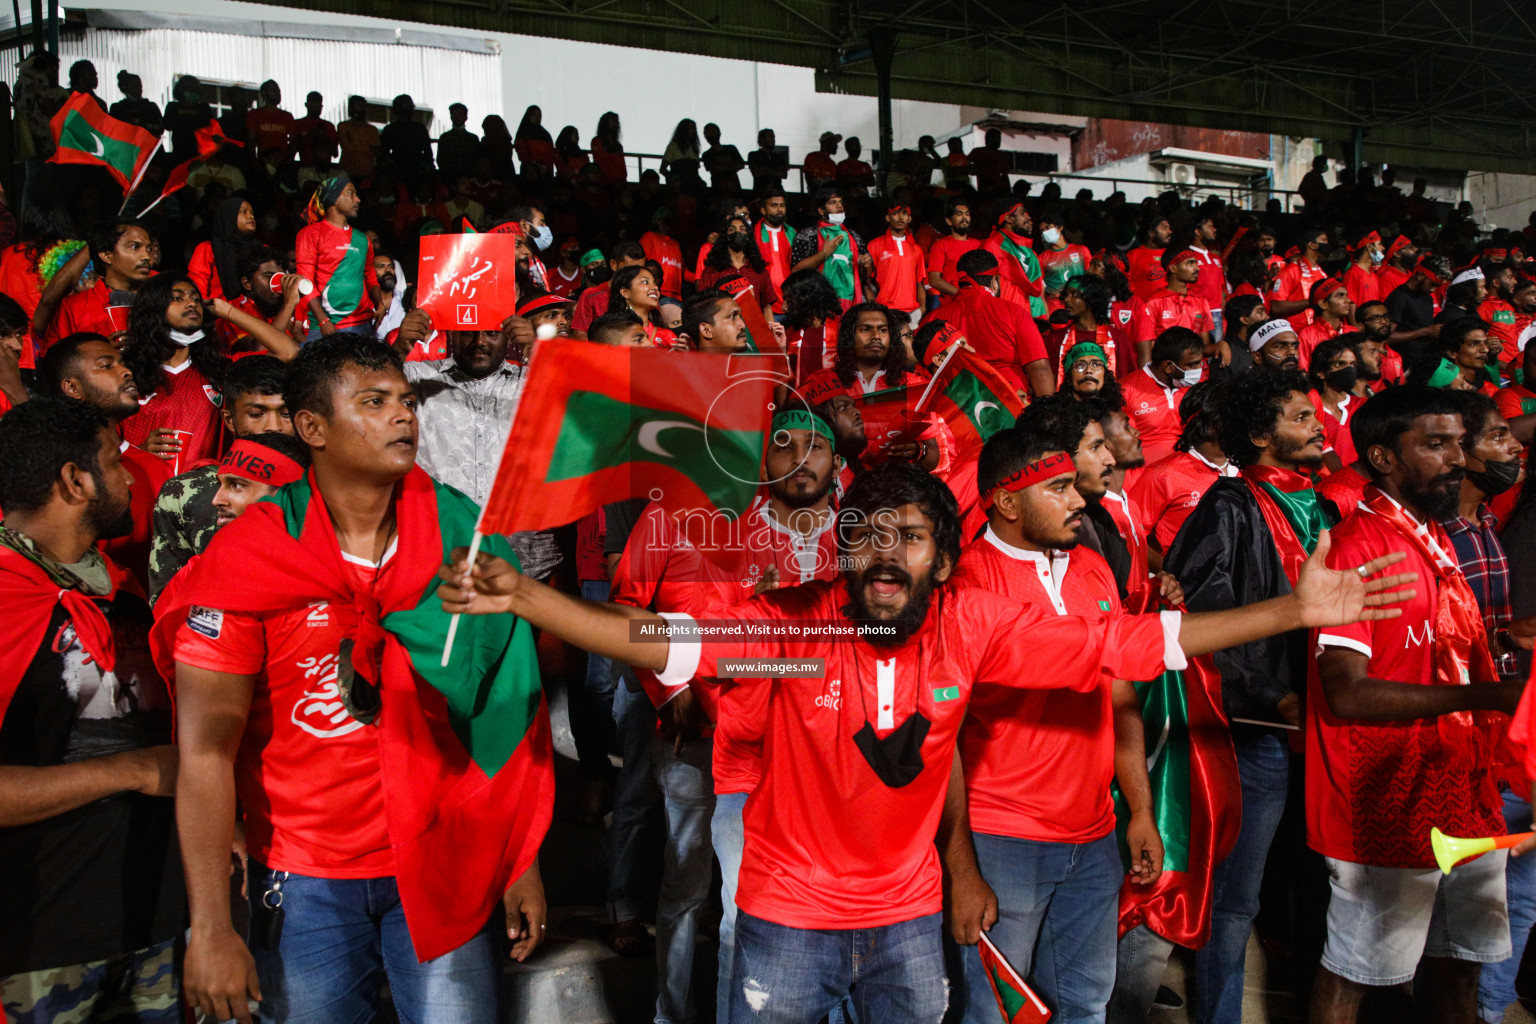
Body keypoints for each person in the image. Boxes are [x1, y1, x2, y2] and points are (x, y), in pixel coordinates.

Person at [437, 460, 1412, 1024]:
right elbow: (661, 637)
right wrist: (526, 595)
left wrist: (1290, 607)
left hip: (906, 921)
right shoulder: (800, 634)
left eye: (910, 537)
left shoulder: (973, 626)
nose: (885, 552)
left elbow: (1132, 642)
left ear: (943, 565)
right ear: (844, 554)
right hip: (787, 917)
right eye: (869, 536)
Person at [168, 335, 552, 1024]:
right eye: (373, 403)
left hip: (444, 859)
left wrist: (519, 857)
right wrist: (211, 925)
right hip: (306, 878)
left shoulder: (462, 537)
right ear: (312, 428)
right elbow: (204, 751)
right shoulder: (251, 556)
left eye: (405, 401)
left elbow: (498, 708)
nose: (402, 417)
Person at [1309, 386, 1535, 1024]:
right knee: (1356, 975)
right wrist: (1487, 694)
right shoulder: (1359, 547)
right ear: (1382, 456)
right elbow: (1346, 690)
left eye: (1460, 442)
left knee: (1461, 964)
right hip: (1388, 797)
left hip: (1463, 782)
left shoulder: (1436, 540)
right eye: (1436, 445)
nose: (1458, 459)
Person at [614, 410, 842, 1024]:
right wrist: (671, 688)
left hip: (798, 750)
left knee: (753, 909)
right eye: (783, 445)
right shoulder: (694, 519)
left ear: (837, 462)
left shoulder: (852, 537)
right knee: (687, 889)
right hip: (700, 737)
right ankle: (671, 1013)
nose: (798, 457)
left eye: (815, 446)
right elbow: (628, 616)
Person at [942, 427, 1164, 1024]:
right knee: (996, 1015)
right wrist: (962, 866)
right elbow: (944, 743)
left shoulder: (1092, 568)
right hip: (1003, 839)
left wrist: (1138, 809)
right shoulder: (969, 586)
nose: (1080, 500)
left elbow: (1121, 695)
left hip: (1094, 837)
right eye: (1059, 488)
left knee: (1084, 1006)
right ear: (1008, 502)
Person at [0, 398, 184, 1024]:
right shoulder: (4, 600)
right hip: (38, 947)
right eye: (115, 461)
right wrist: (134, 771)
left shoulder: (121, 587)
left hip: (158, 923)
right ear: (76, 482)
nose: (132, 476)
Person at [1164, 369, 1340, 1024]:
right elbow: (1207, 629)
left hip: (1322, 729)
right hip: (1261, 732)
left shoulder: (1323, 506)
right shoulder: (1230, 507)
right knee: (1237, 898)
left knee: (1320, 887)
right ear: (1262, 436)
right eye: (1300, 416)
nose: (1317, 425)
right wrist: (1276, 697)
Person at [400, 312, 561, 583]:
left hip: (527, 562)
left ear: (508, 336)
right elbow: (365, 385)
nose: (479, 341)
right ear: (450, 335)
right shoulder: (418, 380)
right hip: (440, 556)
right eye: (467, 332)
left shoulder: (536, 382)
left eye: (491, 333)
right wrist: (398, 348)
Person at [148, 354, 292, 601]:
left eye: (286, 413)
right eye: (257, 414)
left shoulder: (323, 485)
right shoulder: (184, 492)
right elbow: (165, 600)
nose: (273, 426)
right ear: (230, 420)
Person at [37, 332, 172, 592]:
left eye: (122, 362)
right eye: (106, 365)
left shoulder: (157, 467)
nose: (125, 371)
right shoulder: (49, 473)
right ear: (73, 388)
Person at [120, 275, 296, 467]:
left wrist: (227, 310)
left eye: (196, 299)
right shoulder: (126, 373)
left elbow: (288, 352)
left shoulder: (221, 368)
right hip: (146, 484)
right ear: (153, 309)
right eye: (178, 298)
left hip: (208, 490)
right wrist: (139, 451)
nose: (190, 303)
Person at [1130, 380, 1238, 554]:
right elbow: (1133, 535)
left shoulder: (1249, 469)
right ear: (1207, 424)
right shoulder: (1162, 475)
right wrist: (1168, 572)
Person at [932, 249, 1052, 397]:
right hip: (1011, 403)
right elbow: (1040, 369)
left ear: (960, 280)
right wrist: (1049, 414)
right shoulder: (1015, 312)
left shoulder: (933, 318)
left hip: (959, 406)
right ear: (995, 281)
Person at [43, 218, 154, 351]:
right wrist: (100, 352)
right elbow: (55, 362)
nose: (146, 256)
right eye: (134, 247)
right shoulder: (74, 307)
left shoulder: (161, 299)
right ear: (107, 255)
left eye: (149, 248)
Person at [296, 175, 384, 342]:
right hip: (326, 326)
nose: (357, 199)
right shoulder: (310, 234)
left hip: (363, 324)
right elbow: (305, 282)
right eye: (351, 193)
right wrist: (323, 321)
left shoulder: (362, 238)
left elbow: (370, 276)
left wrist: (380, 304)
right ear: (334, 198)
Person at [1119, 327, 1206, 465]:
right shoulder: (1126, 390)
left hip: (1190, 472)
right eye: (1192, 365)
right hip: (1143, 475)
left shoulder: (1196, 388)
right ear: (1168, 367)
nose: (1198, 370)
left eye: (1200, 362)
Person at [790, 187, 872, 309]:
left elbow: (866, 275)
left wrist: (866, 264)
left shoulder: (854, 236)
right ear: (821, 211)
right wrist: (824, 253)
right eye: (832, 203)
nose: (839, 206)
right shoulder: (808, 235)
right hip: (819, 302)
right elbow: (796, 270)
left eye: (840, 202)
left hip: (852, 302)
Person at [698, 215, 779, 320]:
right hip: (724, 331)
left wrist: (769, 334)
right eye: (732, 229)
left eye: (742, 229)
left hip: (754, 330)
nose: (737, 233)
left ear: (748, 236)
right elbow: (703, 307)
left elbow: (767, 307)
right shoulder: (711, 272)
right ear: (726, 236)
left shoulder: (759, 271)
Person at [1384, 252, 1449, 367]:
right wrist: (1425, 331)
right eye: (1432, 284)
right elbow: (1386, 337)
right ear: (1420, 275)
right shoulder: (1400, 296)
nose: (1433, 290)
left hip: (1422, 361)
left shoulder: (1427, 298)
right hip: (1404, 363)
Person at [866, 201, 926, 325]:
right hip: (885, 309)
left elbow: (919, 282)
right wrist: (873, 305)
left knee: (908, 344)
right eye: (895, 213)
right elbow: (866, 280)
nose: (900, 217)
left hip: (911, 311)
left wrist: (923, 307)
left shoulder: (916, 249)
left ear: (909, 218)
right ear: (888, 218)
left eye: (904, 214)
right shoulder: (875, 245)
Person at [188, 197, 257, 303]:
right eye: (243, 212)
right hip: (218, 315)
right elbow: (197, 287)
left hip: (258, 316)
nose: (251, 216)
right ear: (228, 216)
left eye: (252, 213)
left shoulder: (261, 249)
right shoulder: (208, 249)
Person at [982, 201, 1045, 317]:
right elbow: (983, 288)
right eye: (1023, 213)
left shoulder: (1030, 252)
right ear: (1009, 218)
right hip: (1005, 316)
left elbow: (1040, 292)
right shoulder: (992, 245)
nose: (1028, 217)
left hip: (1032, 315)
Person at [1308, 337, 1364, 467]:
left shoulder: (1365, 406)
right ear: (1321, 373)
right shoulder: (1309, 409)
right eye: (1340, 364)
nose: (1349, 370)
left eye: (1352, 364)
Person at [572, 242, 646, 337]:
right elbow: (580, 334)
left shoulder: (645, 295)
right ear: (613, 264)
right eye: (629, 269)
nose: (634, 274)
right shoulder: (591, 296)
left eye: (640, 269)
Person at [1144, 248, 1214, 347]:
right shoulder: (1154, 302)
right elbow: (1149, 347)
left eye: (1196, 263)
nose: (1197, 268)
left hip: (1196, 361)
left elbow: (1205, 346)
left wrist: (1221, 346)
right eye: (1190, 263)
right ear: (1173, 268)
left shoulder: (1202, 302)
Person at [1035, 207, 1092, 313]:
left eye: (1048, 228)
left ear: (1059, 227)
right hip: (1056, 310)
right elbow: (1041, 292)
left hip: (1080, 307)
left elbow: (1091, 280)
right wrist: (1046, 314)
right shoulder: (1041, 259)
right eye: (1042, 231)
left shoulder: (1082, 251)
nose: (1045, 232)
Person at [926, 200, 980, 307]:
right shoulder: (941, 245)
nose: (964, 217)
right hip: (951, 305)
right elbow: (934, 279)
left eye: (967, 214)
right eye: (959, 214)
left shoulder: (978, 244)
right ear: (949, 221)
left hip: (977, 303)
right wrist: (962, 294)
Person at [1270, 227, 1329, 319]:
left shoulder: (1321, 273)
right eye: (1324, 241)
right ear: (1312, 245)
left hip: (1317, 329)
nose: (1327, 245)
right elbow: (1276, 307)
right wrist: (1310, 302)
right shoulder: (1290, 271)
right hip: (1295, 330)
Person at [754, 189, 795, 313]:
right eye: (774, 205)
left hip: (790, 301)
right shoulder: (753, 235)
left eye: (782, 206)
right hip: (765, 303)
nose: (779, 210)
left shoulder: (793, 234)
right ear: (763, 210)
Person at [1295, 277, 1350, 365]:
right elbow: (1303, 371)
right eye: (1340, 296)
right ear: (1324, 304)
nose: (1348, 300)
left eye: (1346, 295)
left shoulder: (1352, 331)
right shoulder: (1305, 336)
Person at [379, 94, 433, 178]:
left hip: (417, 170)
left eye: (409, 106)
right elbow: (383, 153)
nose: (409, 109)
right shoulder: (390, 129)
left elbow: (428, 152)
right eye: (405, 106)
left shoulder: (419, 128)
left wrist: (425, 166)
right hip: (397, 171)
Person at [245, 80, 293, 163]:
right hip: (263, 161)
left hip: (282, 162)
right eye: (273, 90)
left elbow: (293, 141)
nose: (277, 94)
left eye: (278, 91)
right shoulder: (255, 114)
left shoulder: (287, 116)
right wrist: (254, 161)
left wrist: (289, 160)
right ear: (264, 93)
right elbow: (251, 141)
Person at [1127, 216, 1171, 301]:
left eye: (1169, 228)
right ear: (1151, 233)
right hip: (1142, 309)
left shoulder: (1170, 255)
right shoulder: (1134, 255)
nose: (1169, 232)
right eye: (1164, 228)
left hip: (1167, 310)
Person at [336, 95, 380, 180]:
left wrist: (353, 142)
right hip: (347, 171)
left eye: (364, 107)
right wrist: (367, 147)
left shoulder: (372, 129)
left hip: (367, 172)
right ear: (351, 108)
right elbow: (346, 147)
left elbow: (374, 151)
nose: (362, 109)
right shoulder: (343, 126)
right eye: (359, 106)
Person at [291, 91, 337, 167]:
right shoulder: (298, 124)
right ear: (306, 105)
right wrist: (309, 135)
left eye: (317, 106)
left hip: (325, 168)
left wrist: (325, 137)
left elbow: (335, 153)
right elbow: (293, 149)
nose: (315, 109)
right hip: (305, 166)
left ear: (321, 107)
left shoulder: (329, 126)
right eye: (312, 106)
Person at [436, 103, 480, 182]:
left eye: (460, 114)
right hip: (449, 179)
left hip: (470, 179)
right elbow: (441, 160)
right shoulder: (444, 138)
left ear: (466, 117)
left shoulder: (473, 139)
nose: (457, 117)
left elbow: (476, 160)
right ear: (451, 117)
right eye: (454, 114)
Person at [109, 70, 162, 135]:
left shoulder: (151, 106)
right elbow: (113, 130)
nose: (139, 89)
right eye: (134, 86)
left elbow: (160, 128)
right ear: (125, 88)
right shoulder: (117, 108)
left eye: (140, 86)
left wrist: (141, 123)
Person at [1343, 231, 1384, 309]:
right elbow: (1350, 304)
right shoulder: (1353, 273)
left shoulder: (1373, 274)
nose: (1383, 247)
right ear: (1369, 246)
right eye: (1379, 244)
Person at [700, 122, 745, 191]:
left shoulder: (731, 148)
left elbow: (741, 164)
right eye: (708, 133)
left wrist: (722, 167)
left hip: (729, 189)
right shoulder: (706, 154)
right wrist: (731, 166)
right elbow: (715, 168)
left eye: (712, 132)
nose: (711, 135)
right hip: (722, 190)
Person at [591, 111, 627, 183]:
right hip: (604, 180)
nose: (616, 123)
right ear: (605, 123)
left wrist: (622, 179)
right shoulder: (597, 141)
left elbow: (622, 166)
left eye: (617, 121)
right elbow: (600, 161)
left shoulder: (618, 146)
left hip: (619, 181)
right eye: (613, 120)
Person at [748, 128, 787, 193]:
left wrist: (763, 168)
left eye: (773, 137)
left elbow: (783, 175)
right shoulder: (754, 155)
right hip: (760, 192)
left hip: (777, 191)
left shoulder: (778, 157)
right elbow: (756, 173)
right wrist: (775, 171)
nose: (773, 140)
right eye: (770, 137)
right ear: (762, 139)